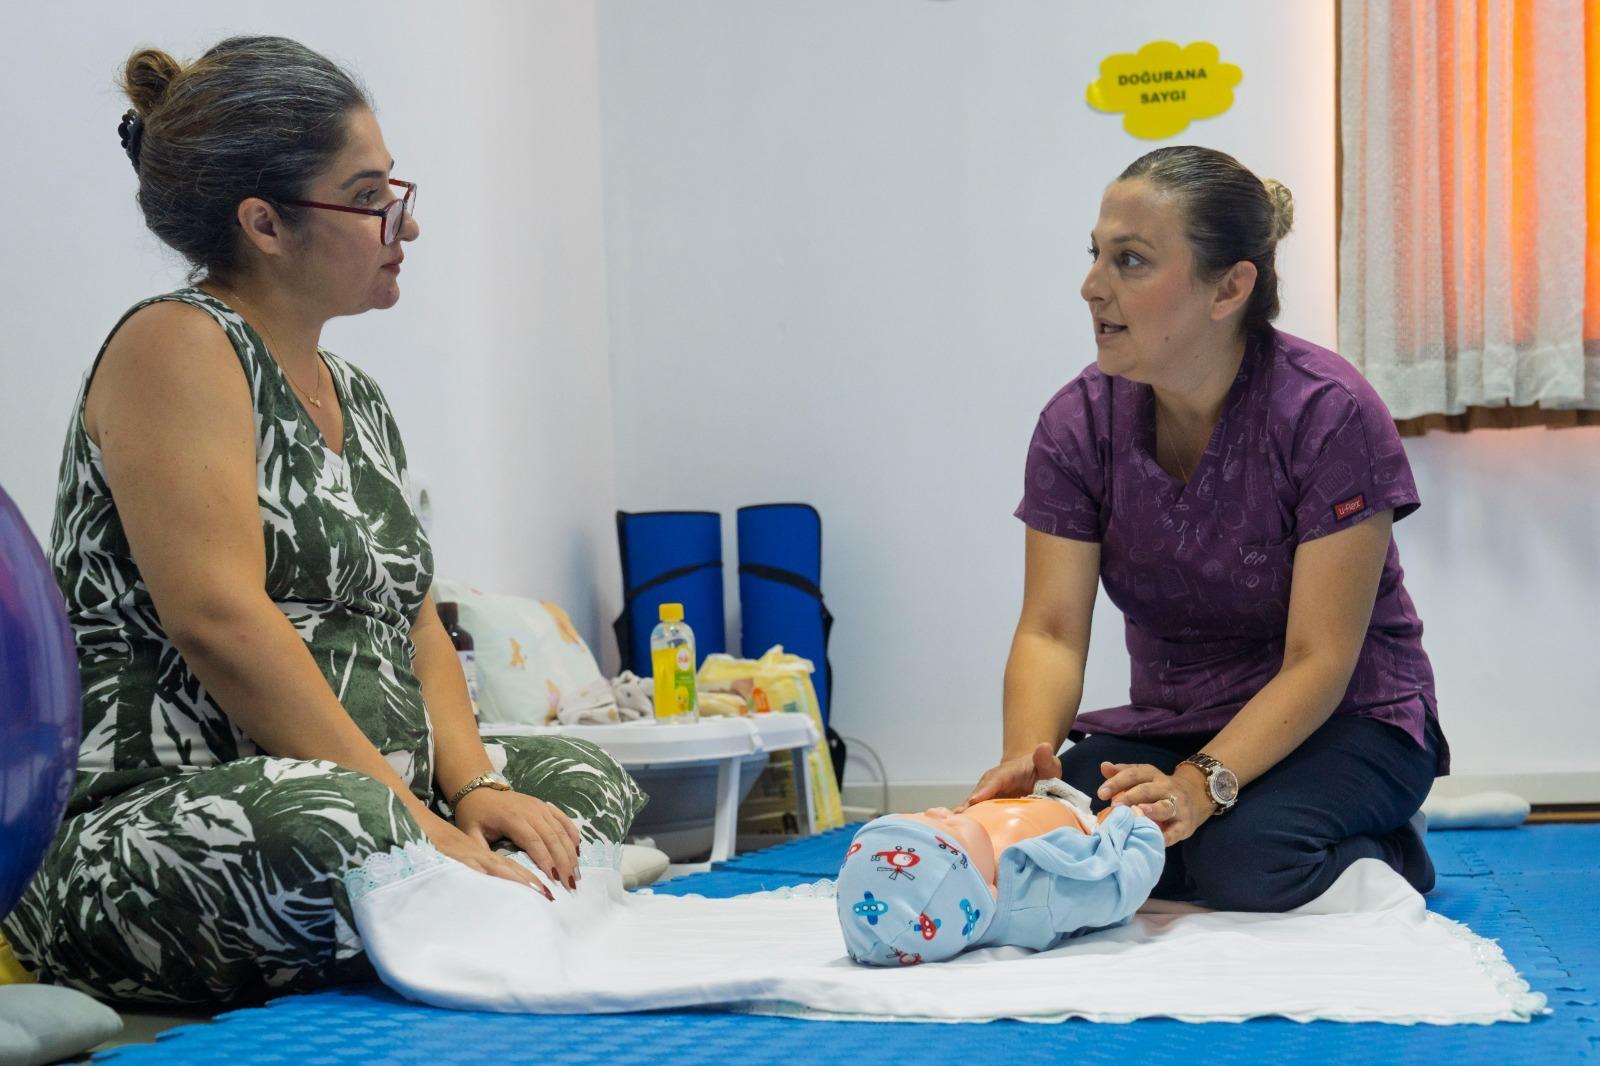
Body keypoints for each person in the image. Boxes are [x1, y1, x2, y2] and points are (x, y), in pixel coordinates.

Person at [0, 36, 645, 1005]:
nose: (404, 224)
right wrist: (414, 822)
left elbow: (416, 624)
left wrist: (473, 791)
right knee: (345, 829)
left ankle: (453, 903)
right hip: (170, 813)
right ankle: (456, 899)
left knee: (579, 780)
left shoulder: (357, 394)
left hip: (372, 793)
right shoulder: (175, 345)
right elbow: (219, 620)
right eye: (370, 195)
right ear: (265, 222)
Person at [960, 145, 1446, 913]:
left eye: (1130, 261)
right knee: (1059, 835)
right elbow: (1051, 631)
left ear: (1230, 288)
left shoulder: (1330, 414)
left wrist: (1199, 786)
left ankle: (1391, 841)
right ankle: (1205, 831)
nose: (1092, 287)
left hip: (1349, 721)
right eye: (1095, 255)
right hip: (1174, 725)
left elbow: (1319, 658)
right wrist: (1031, 765)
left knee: (1245, 859)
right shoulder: (1076, 425)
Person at [835, 783, 1163, 965]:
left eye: (921, 814)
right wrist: (1135, 828)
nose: (938, 809)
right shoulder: (1043, 897)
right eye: (949, 827)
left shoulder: (967, 875)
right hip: (1089, 818)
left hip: (1041, 792)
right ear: (987, 891)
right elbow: (1121, 888)